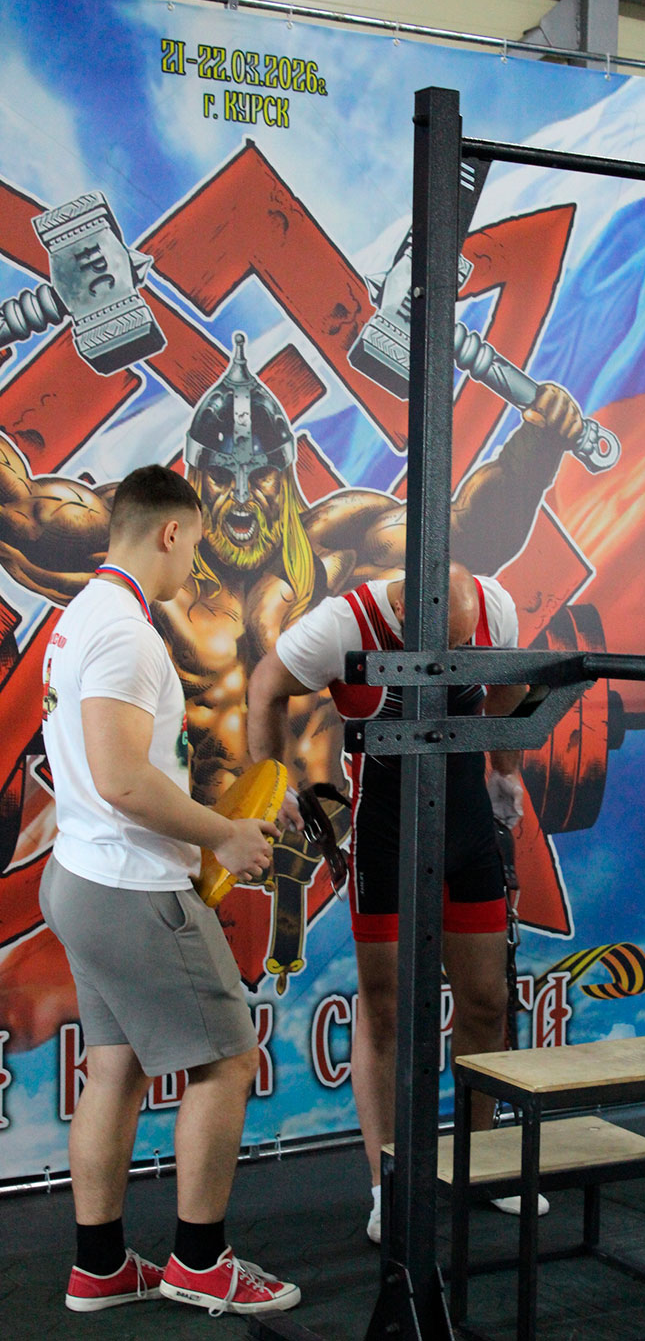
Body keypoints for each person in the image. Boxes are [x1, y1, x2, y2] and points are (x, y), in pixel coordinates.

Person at [0, 337, 587, 988]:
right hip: (179, 850)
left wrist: (535, 448)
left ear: (288, 474)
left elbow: (469, 533)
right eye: (221, 476)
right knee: (198, 1037)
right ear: (194, 478)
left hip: (310, 845)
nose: (241, 497)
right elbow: (17, 510)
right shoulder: (138, 553)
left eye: (261, 476)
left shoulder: (342, 541)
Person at [39, 465, 301, 1316]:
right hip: (131, 887)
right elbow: (121, 779)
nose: (197, 565)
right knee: (227, 1061)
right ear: (171, 532)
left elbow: (120, 770)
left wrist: (226, 809)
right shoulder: (125, 631)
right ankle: (199, 1262)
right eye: (195, 545)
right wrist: (222, 834)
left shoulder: (81, 617)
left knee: (115, 1068)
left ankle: (100, 1267)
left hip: (84, 877)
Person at [247, 562, 545, 1243]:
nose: (453, 655)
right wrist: (271, 781)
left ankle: (481, 1165)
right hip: (386, 835)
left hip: (467, 826)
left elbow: (509, 685)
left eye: (462, 644)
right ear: (407, 613)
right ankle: (388, 1185)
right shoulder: (343, 625)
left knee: (486, 1001)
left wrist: (505, 771)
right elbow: (266, 686)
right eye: (440, 643)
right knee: (384, 1010)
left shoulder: (493, 606)